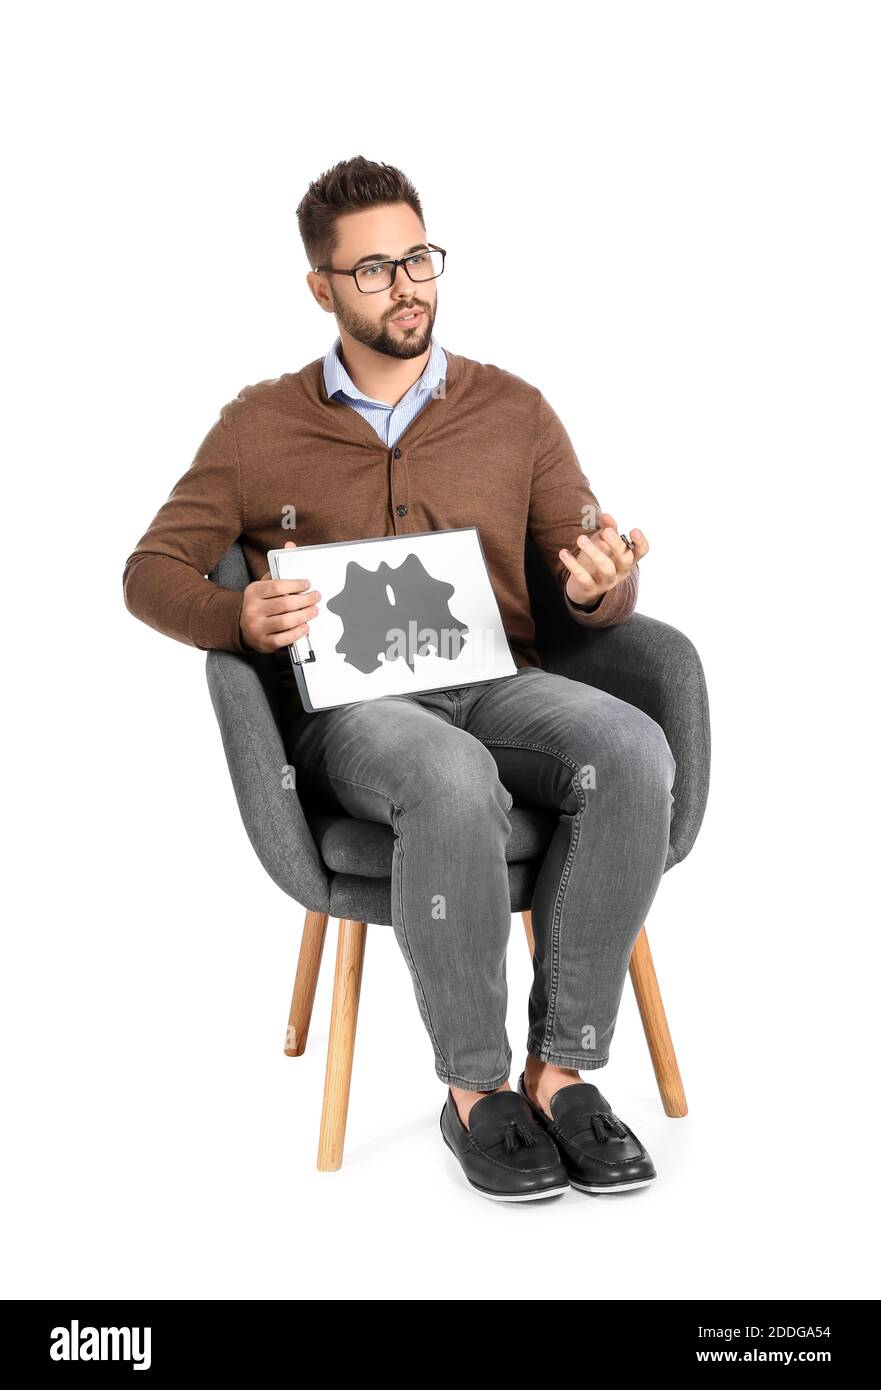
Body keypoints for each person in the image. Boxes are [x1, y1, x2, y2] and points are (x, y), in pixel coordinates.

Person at [123, 155, 676, 1203]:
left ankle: (560, 1071)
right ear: (322, 289)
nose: (406, 285)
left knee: (630, 746)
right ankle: (474, 1091)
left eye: (416, 257)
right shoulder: (256, 426)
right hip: (357, 714)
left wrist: (610, 585)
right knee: (447, 772)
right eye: (372, 270)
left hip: (498, 681)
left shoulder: (513, 410)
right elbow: (149, 571)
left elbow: (584, 573)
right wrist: (234, 613)